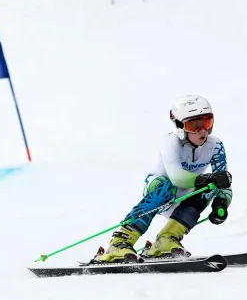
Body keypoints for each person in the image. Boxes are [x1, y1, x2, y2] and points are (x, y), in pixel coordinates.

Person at [96, 95, 233, 263]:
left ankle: (166, 240)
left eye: (207, 123)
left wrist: (221, 203)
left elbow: (223, 183)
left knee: (211, 186)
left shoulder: (215, 145)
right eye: (194, 126)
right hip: (158, 192)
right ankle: (120, 242)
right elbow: (177, 178)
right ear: (180, 126)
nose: (203, 130)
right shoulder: (170, 142)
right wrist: (210, 178)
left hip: (186, 196)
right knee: (166, 187)